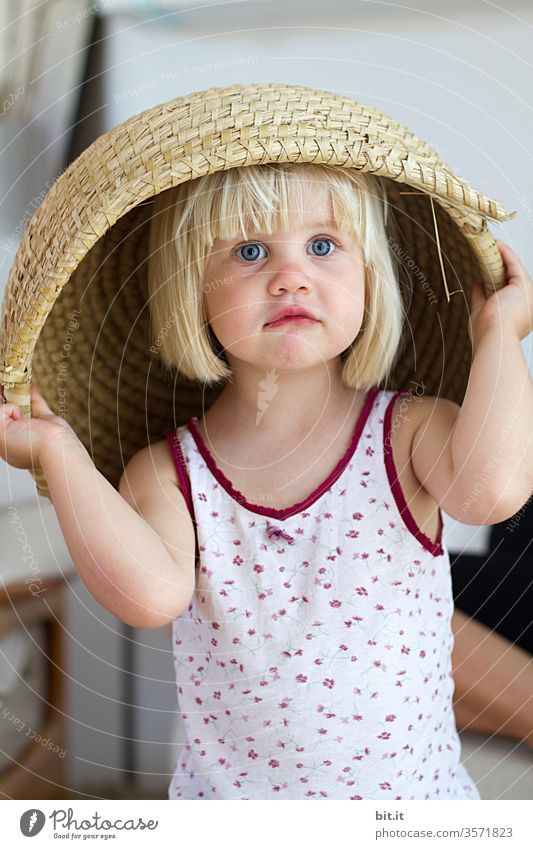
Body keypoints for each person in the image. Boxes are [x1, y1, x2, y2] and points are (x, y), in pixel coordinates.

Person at [1, 162, 532, 800]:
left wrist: (499, 332)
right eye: (250, 252)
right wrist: (58, 451)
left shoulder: (409, 430)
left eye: (323, 246)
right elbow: (147, 597)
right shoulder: (169, 471)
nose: (290, 278)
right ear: (193, 291)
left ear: (369, 277)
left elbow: (494, 490)